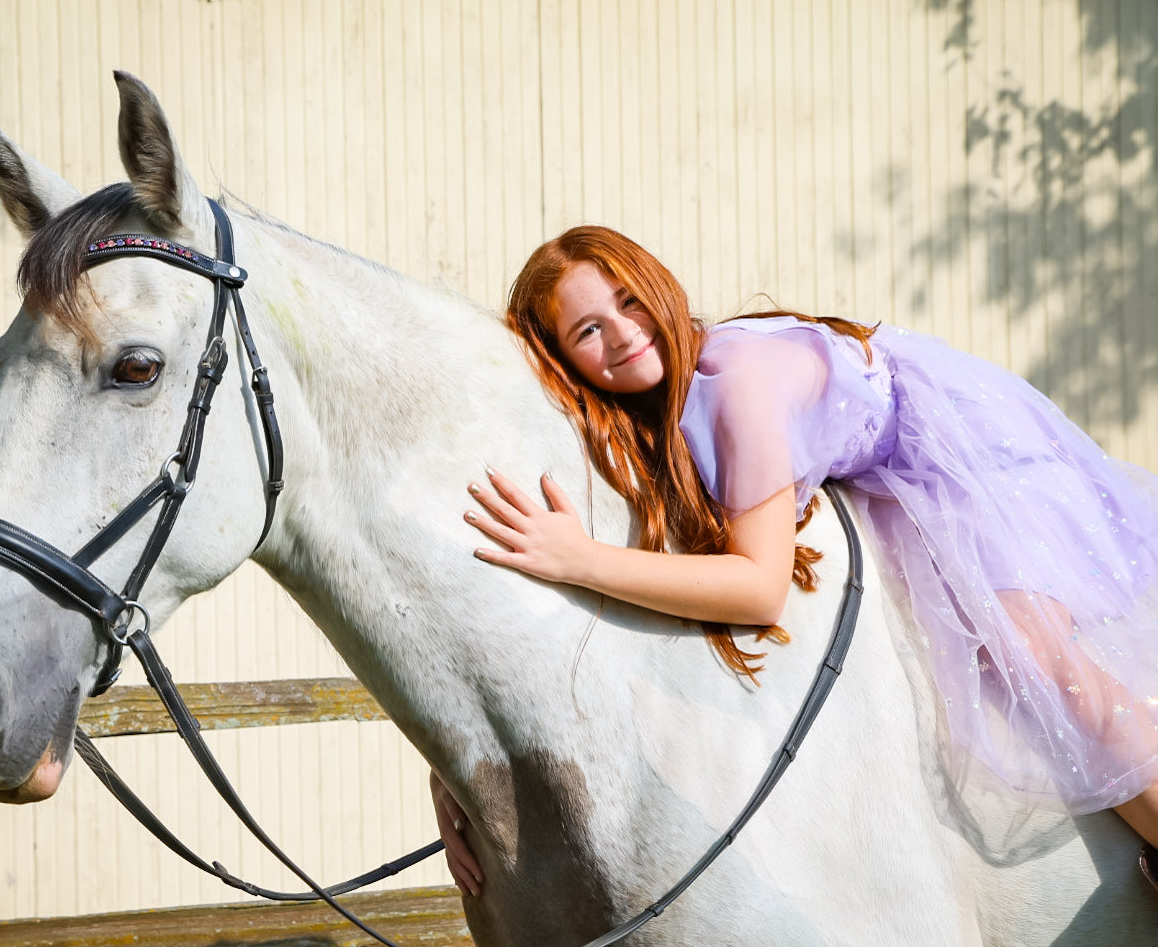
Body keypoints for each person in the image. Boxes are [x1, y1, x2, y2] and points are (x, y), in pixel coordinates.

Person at [431, 224, 1158, 898]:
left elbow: (758, 590)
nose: (622, 334)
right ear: (565, 359)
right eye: (588, 329)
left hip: (957, 451)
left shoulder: (735, 382)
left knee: (1027, 648)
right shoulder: (643, 411)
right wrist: (451, 767)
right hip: (882, 470)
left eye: (629, 301)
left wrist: (581, 560)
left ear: (656, 285)